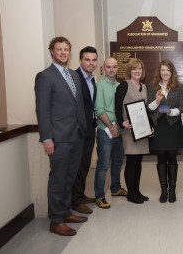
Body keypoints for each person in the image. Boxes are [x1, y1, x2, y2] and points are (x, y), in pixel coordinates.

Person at [35, 36, 88, 236]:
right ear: (52, 52)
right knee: (58, 179)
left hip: (76, 136)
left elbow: (79, 106)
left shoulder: (73, 76)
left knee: (70, 177)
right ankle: (56, 220)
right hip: (58, 138)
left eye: (66, 49)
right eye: (59, 49)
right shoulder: (45, 77)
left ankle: (66, 212)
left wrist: (83, 129)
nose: (63, 52)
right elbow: (42, 110)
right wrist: (47, 138)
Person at [147, 60, 183, 203]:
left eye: (168, 70)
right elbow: (149, 108)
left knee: (172, 157)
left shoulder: (180, 87)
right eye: (162, 70)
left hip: (173, 124)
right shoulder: (151, 87)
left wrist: (171, 111)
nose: (165, 73)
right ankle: (164, 190)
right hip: (159, 125)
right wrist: (157, 101)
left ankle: (172, 191)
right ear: (159, 72)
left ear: (172, 72)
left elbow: (182, 106)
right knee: (161, 157)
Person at [115, 58, 150, 204]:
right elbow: (116, 106)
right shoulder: (124, 85)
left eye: (140, 68)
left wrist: (150, 127)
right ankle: (131, 194)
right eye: (134, 69)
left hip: (141, 131)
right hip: (129, 132)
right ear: (130, 71)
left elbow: (146, 109)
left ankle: (137, 191)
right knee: (131, 161)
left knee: (139, 161)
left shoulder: (144, 86)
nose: (137, 71)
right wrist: (122, 123)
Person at [94, 57, 127, 209]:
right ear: (103, 68)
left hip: (119, 130)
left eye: (114, 67)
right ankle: (99, 196)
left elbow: (122, 109)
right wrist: (111, 126)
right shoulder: (99, 85)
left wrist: (119, 126)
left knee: (118, 161)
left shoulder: (120, 86)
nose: (112, 69)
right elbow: (99, 109)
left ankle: (115, 188)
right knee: (102, 165)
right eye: (108, 67)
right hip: (105, 131)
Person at [70, 46, 98, 215]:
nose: (91, 63)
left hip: (89, 128)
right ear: (80, 60)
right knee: (77, 165)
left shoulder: (92, 79)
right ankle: (75, 201)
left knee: (85, 164)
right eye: (87, 59)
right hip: (78, 130)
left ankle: (80, 194)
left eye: (94, 60)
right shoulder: (74, 77)